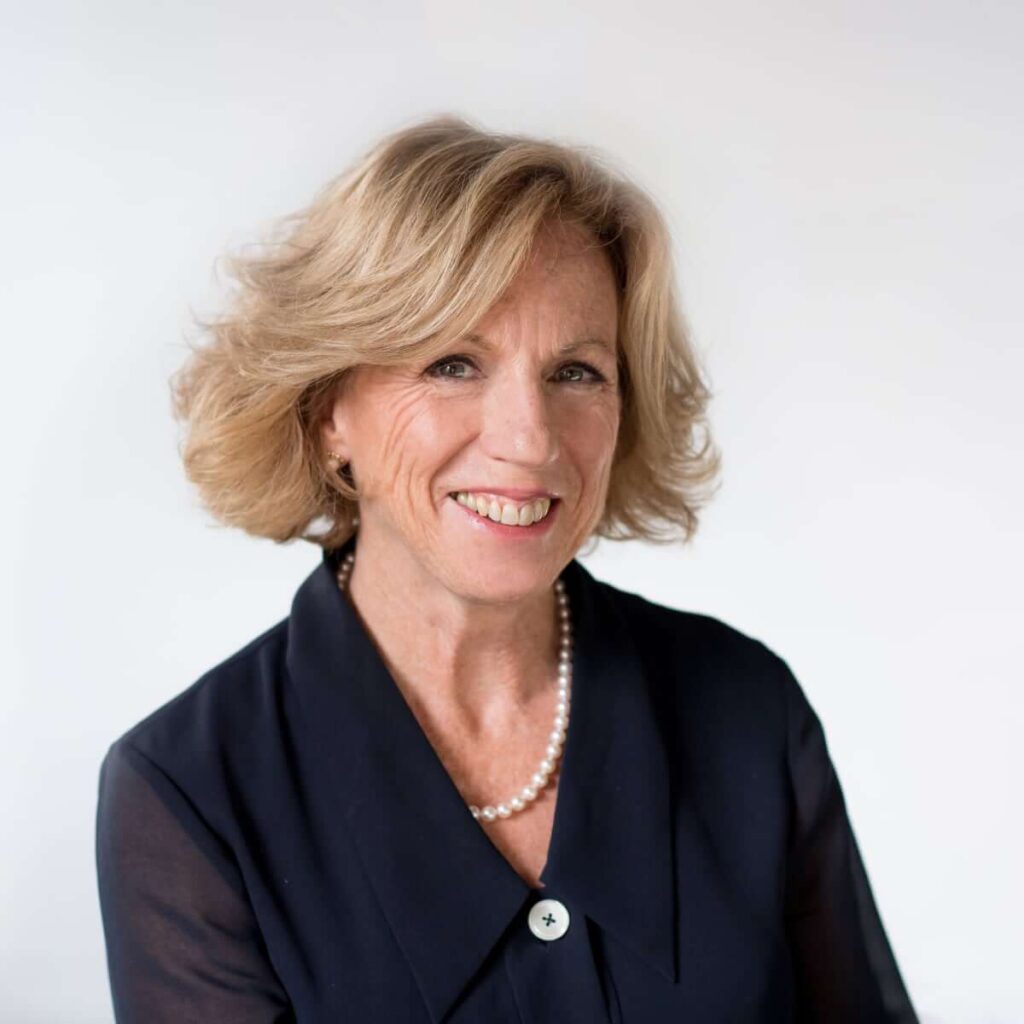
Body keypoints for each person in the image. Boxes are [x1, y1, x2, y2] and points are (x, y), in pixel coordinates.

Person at [95, 115, 918, 1023]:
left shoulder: (748, 713)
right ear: (331, 409)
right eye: (453, 364)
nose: (529, 442)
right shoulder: (191, 795)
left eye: (576, 372)